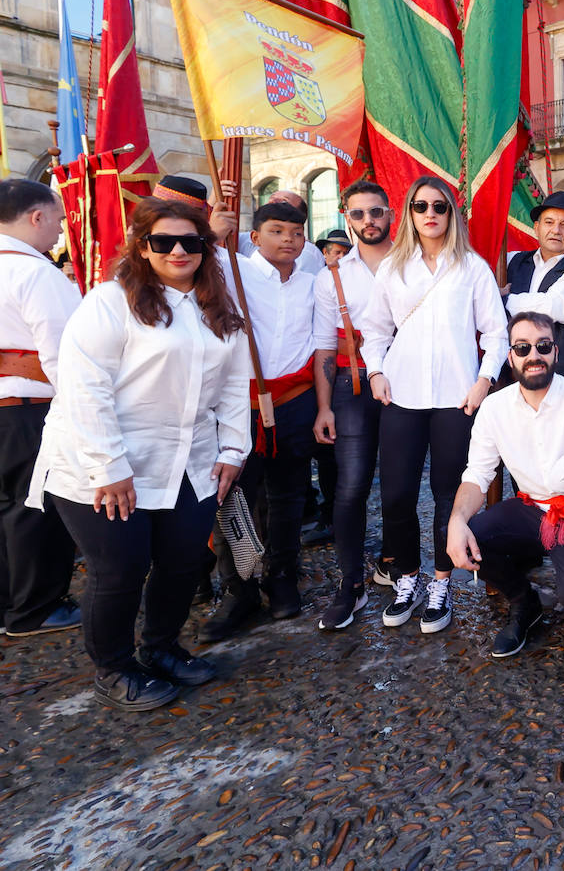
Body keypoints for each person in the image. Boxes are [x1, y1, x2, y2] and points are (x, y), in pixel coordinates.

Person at [28, 198, 250, 710]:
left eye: (190, 241)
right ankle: (114, 666)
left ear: (205, 247)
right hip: (102, 461)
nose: (178, 250)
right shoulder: (110, 302)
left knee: (181, 560)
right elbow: (86, 387)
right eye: (163, 241)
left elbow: (235, 385)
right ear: (142, 247)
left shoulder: (218, 305)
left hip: (188, 461)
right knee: (121, 568)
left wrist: (235, 447)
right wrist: (109, 466)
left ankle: (162, 647)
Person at [358, 176, 507, 635]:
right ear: (409, 213)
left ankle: (441, 583)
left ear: (451, 213)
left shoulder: (473, 268)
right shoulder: (393, 268)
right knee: (398, 493)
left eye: (439, 206)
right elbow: (375, 330)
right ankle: (407, 577)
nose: (430, 213)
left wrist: (484, 381)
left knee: (448, 494)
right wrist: (376, 372)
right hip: (401, 393)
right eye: (420, 205)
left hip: (455, 398)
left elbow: (496, 333)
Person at [446, 312, 564, 658]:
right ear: (510, 356)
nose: (533, 356)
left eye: (542, 346)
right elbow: (477, 474)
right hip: (530, 508)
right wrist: (456, 522)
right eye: (522, 348)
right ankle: (524, 601)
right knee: (467, 534)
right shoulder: (494, 408)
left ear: (556, 352)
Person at [201, 201, 318, 641]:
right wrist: (215, 231)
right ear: (255, 236)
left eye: (295, 232)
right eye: (276, 231)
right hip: (239, 404)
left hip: (293, 400)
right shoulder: (232, 269)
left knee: (290, 496)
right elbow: (195, 259)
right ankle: (239, 589)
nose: (288, 239)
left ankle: (282, 575)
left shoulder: (313, 283)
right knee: (233, 499)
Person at [0, 179, 81, 638]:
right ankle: (36, 608)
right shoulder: (35, 273)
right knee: (38, 508)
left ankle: (8, 604)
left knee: (6, 508)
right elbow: (63, 354)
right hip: (28, 410)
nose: (59, 231)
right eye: (56, 219)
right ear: (35, 217)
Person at [312, 180, 394, 630]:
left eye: (376, 212)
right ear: (348, 219)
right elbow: (325, 348)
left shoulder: (416, 264)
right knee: (351, 486)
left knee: (401, 486)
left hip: (409, 384)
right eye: (359, 214)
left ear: (390, 214)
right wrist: (325, 408)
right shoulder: (333, 277)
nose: (368, 221)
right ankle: (351, 585)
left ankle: (398, 566)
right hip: (353, 384)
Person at [505, 192, 564, 385]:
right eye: (549, 222)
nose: (556, 230)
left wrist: (502, 299)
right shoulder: (512, 261)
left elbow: (553, 308)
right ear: (536, 228)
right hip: (513, 383)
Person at [236, 189, 325, 275]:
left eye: (283, 201)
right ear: (255, 238)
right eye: (271, 199)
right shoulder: (244, 243)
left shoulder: (307, 254)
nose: (288, 239)